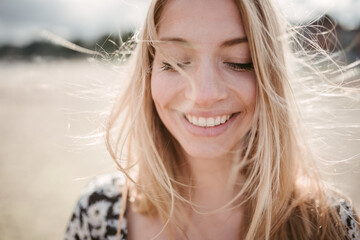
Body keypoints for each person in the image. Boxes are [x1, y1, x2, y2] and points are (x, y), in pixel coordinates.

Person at [64, 0, 360, 239]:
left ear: (270, 76)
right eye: (177, 62)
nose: (204, 94)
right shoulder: (98, 214)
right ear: (149, 72)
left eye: (238, 61)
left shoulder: (332, 225)